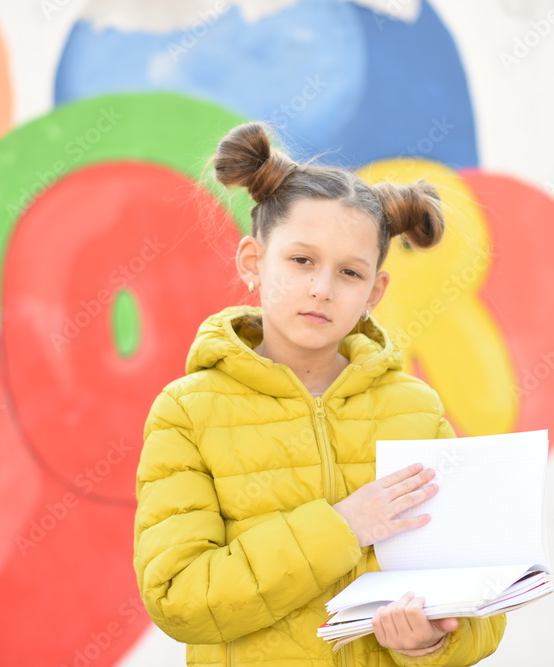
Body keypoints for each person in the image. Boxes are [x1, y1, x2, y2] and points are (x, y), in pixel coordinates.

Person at [133, 121, 507, 666]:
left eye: (350, 272)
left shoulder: (417, 410)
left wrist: (429, 642)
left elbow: (481, 605)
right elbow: (181, 599)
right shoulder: (186, 413)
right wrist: (342, 527)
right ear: (253, 262)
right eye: (302, 260)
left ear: (374, 291)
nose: (322, 288)